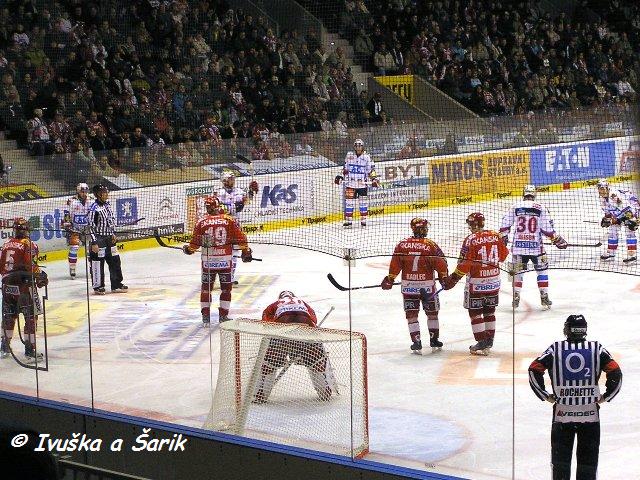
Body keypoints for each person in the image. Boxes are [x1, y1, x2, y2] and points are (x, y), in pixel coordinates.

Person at [528, 314, 622, 480]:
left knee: (560, 463)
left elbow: (534, 368)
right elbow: (615, 371)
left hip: (562, 415)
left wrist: (545, 396)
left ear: (567, 329)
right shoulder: (596, 348)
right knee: (588, 462)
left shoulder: (555, 348)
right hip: (590, 415)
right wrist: (606, 397)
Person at [440, 212, 509, 355]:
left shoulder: (470, 240)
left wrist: (453, 278)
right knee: (490, 311)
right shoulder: (496, 235)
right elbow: (503, 257)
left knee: (475, 312)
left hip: (476, 283)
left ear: (472, 224)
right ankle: (489, 341)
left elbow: (464, 263)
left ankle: (482, 341)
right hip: (494, 281)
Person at [381, 218, 449, 353]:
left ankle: (416, 341)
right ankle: (434, 340)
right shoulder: (431, 245)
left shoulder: (402, 245)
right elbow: (442, 264)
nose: (426, 230)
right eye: (424, 228)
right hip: (428, 287)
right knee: (432, 313)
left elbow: (395, 264)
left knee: (411, 314)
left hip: (409, 287)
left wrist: (390, 279)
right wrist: (444, 278)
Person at [183, 196, 253, 325]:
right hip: (225, 261)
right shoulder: (229, 220)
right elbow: (240, 237)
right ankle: (223, 317)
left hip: (208, 262)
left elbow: (194, 243)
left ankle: (205, 318)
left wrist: (189, 249)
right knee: (226, 289)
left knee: (206, 289)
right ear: (218, 206)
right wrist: (245, 251)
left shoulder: (201, 221)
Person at [254, 291, 334, 404]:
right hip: (306, 333)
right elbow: (313, 320)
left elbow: (266, 325)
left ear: (280, 298)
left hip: (282, 334)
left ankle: (260, 394)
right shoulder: (304, 303)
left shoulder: (275, 304)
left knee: (269, 362)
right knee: (318, 359)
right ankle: (325, 390)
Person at [499, 184, 568, 308]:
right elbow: (547, 229)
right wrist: (556, 239)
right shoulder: (541, 207)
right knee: (542, 270)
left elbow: (504, 224)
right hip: (537, 249)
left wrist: (504, 236)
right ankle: (544, 297)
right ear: (534, 194)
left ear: (523, 194)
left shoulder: (515, 206)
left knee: (516, 272)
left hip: (518, 248)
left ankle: (515, 296)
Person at [0, 218, 48, 360]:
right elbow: (30, 266)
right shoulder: (29, 245)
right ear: (27, 231)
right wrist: (41, 277)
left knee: (8, 316)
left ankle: (4, 346)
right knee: (31, 317)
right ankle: (30, 349)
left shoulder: (5, 245)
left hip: (7, 287)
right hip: (24, 287)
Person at [215, 171, 259, 284]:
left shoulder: (239, 191)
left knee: (235, 252)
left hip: (235, 225)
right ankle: (217, 276)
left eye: (233, 179)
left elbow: (247, 200)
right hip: (222, 225)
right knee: (221, 252)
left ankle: (230, 277)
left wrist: (251, 191)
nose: (232, 181)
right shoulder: (218, 193)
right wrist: (234, 207)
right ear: (224, 181)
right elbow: (217, 209)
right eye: (230, 179)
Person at [87, 185, 127, 295]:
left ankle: (116, 284)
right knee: (97, 263)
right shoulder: (93, 208)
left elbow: (110, 221)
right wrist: (94, 242)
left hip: (110, 238)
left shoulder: (108, 205)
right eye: (104, 192)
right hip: (99, 239)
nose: (106, 194)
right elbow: (90, 226)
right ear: (98, 194)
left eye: (106, 192)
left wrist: (112, 233)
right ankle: (98, 286)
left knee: (115, 260)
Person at [334, 138, 379, 227]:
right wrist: (340, 176)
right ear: (354, 146)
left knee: (363, 202)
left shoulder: (366, 157)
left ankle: (363, 220)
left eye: (360, 145)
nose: (358, 147)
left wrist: (373, 179)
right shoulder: (349, 155)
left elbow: (371, 170)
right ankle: (349, 221)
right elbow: (345, 168)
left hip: (362, 184)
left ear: (362, 147)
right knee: (349, 202)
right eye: (356, 145)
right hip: (350, 184)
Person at [597, 179, 638, 263]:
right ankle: (611, 253)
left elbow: (627, 209)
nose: (602, 191)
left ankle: (632, 255)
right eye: (600, 189)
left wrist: (632, 220)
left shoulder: (614, 196)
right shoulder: (602, 199)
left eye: (603, 188)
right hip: (621, 212)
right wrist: (607, 220)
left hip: (633, 209)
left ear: (608, 188)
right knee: (612, 230)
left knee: (629, 230)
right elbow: (608, 213)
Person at [62, 183, 92, 279]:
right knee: (74, 248)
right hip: (75, 228)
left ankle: (92, 267)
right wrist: (67, 223)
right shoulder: (71, 201)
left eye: (85, 191)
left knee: (90, 248)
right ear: (78, 191)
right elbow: (66, 213)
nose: (84, 193)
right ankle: (72, 269)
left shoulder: (91, 200)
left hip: (88, 228)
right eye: (82, 191)